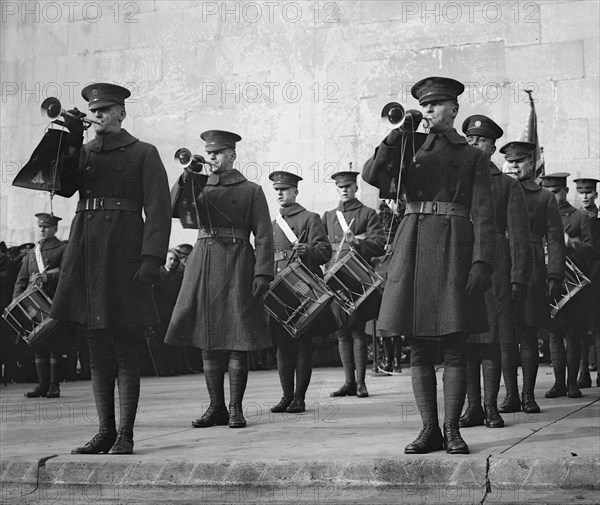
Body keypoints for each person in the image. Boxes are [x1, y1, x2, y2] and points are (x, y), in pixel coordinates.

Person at [363, 77, 496, 454]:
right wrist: (396, 136)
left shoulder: (473, 156)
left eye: (437, 105)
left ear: (454, 109)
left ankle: (452, 429)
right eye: (426, 105)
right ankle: (428, 430)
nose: (429, 111)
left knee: (455, 345)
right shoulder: (410, 148)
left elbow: (484, 215)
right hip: (415, 244)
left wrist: (481, 262)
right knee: (418, 346)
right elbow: (373, 176)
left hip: (454, 245)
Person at [50, 83, 172, 455]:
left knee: (125, 349)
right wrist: (69, 141)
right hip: (86, 253)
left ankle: (126, 434)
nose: (98, 115)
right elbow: (62, 187)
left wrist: (152, 258)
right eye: (94, 110)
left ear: (122, 112)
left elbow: (159, 208)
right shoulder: (84, 152)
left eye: (105, 110)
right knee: (96, 350)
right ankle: (104, 431)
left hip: (124, 256)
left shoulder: (144, 153)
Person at [165, 130, 274, 429]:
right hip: (204, 263)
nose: (212, 157)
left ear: (233, 155)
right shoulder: (198, 184)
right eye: (209, 152)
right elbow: (172, 208)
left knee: (238, 338)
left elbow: (264, 234)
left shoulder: (251, 189)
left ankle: (236, 408)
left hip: (238, 262)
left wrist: (263, 272)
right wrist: (187, 175)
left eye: (219, 152)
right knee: (208, 339)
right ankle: (216, 407)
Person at [457, 117, 531, 430]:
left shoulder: (507, 184)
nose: (475, 144)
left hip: (496, 269)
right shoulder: (458, 179)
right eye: (470, 139)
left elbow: (519, 234)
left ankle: (490, 407)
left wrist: (517, 277)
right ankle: (472, 407)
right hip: (462, 264)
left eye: (481, 140)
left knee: (492, 339)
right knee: (466, 339)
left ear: (492, 147)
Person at [499, 143, 566, 414]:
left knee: (527, 332)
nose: (514, 166)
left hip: (533, 267)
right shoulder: (498, 191)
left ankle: (528, 396)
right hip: (502, 265)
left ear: (532, 163)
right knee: (505, 335)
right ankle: (510, 396)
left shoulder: (544, 198)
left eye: (520, 162)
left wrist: (555, 275)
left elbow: (556, 239)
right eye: (510, 162)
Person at [267, 171, 332, 413]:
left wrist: (308, 251)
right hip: (278, 290)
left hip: (303, 289)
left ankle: (299, 398)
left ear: (295, 191)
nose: (280, 194)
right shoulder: (272, 224)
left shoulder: (310, 218)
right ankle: (286, 396)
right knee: (281, 346)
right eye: (277, 190)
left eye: (284, 189)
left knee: (302, 344)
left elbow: (325, 251)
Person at [322, 170, 386, 399]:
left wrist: (357, 242)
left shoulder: (367, 213)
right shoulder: (328, 216)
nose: (345, 190)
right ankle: (348, 382)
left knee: (358, 331)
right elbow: (321, 247)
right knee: (341, 331)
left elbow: (379, 244)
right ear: (337, 189)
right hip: (335, 280)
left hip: (357, 280)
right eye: (341, 187)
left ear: (355, 188)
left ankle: (360, 383)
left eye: (349, 186)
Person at [541, 172, 595, 399]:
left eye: (555, 193)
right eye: (548, 193)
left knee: (572, 334)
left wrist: (570, 243)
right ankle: (559, 383)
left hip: (574, 286)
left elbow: (592, 250)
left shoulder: (580, 217)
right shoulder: (540, 217)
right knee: (554, 334)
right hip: (551, 282)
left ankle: (572, 383)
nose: (551, 198)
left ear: (564, 191)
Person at [13, 213, 67, 398]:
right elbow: (21, 280)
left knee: (54, 344)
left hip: (53, 303)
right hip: (33, 304)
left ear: (55, 229)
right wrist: (16, 301)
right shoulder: (32, 252)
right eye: (40, 226)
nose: (42, 230)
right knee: (37, 344)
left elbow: (68, 275)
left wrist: (49, 277)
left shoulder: (62, 249)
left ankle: (54, 385)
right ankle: (42, 384)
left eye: (46, 227)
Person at [573, 178, 600, 388]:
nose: (584, 196)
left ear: (595, 195)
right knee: (580, 326)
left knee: (598, 326)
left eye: (589, 192)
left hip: (598, 277)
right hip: (580, 279)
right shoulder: (575, 219)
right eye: (581, 192)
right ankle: (583, 372)